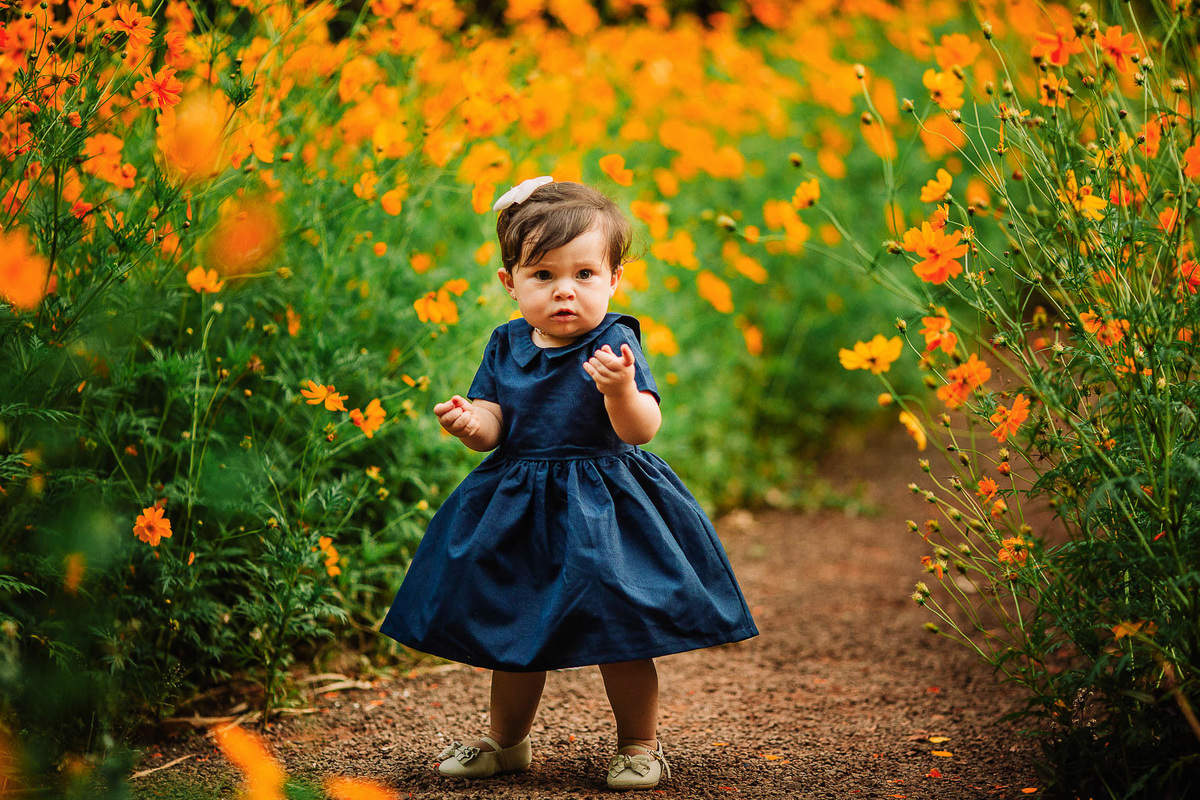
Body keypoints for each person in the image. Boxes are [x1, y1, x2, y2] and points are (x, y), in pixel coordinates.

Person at [379, 177, 758, 790]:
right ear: (510, 285)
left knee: (622, 627)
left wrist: (619, 390)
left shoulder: (617, 343)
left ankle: (639, 745)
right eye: (543, 275)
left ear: (613, 280)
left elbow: (641, 430)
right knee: (514, 628)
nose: (565, 291)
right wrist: (471, 422)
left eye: (584, 275)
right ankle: (506, 743)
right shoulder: (505, 344)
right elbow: (496, 421)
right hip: (520, 504)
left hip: (606, 504)